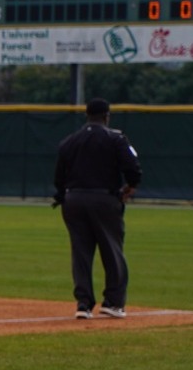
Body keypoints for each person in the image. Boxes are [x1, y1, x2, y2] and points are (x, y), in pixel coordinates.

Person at [53, 99, 141, 319]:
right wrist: (130, 186)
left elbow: (58, 178)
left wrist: (65, 194)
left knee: (81, 253)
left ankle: (83, 304)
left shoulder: (69, 141)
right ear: (107, 116)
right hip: (104, 199)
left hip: (73, 200)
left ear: (87, 116)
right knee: (112, 250)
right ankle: (113, 302)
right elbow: (132, 167)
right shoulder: (116, 139)